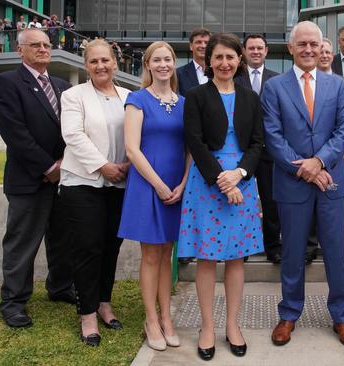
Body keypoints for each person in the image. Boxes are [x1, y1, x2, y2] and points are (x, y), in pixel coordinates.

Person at [262, 21, 344, 348]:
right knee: (291, 252)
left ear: (321, 49)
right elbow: (272, 137)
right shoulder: (274, 88)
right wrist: (305, 169)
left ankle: (341, 316)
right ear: (290, 48)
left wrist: (318, 162)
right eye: (301, 44)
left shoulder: (338, 85)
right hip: (292, 184)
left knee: (334, 250)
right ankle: (289, 313)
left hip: (330, 180)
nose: (307, 50)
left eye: (313, 45)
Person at [177, 33, 264, 361]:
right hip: (207, 186)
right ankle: (207, 327)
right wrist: (222, 181)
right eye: (219, 58)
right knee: (207, 257)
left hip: (242, 181)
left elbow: (258, 144)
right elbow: (195, 142)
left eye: (231, 57)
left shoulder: (250, 98)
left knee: (236, 258)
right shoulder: (196, 96)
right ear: (208, 61)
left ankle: (232, 325)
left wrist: (239, 175)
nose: (225, 63)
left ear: (239, 60)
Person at [0, 28, 74, 328]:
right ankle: (13, 301)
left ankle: (61, 287)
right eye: (35, 45)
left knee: (62, 238)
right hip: (29, 179)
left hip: (64, 177)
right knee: (22, 242)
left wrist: (65, 164)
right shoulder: (8, 83)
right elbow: (15, 133)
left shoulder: (63, 86)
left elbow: (73, 129)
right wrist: (48, 168)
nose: (42, 49)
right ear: (20, 50)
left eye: (46, 45)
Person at [59, 39, 131, 347]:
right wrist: (104, 166)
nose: (100, 66)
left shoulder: (130, 96)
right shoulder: (73, 95)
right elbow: (72, 135)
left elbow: (137, 136)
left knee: (111, 245)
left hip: (121, 183)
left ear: (116, 62)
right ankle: (87, 313)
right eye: (94, 61)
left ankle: (104, 302)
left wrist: (127, 165)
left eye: (105, 60)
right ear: (86, 65)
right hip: (83, 182)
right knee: (88, 247)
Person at [119, 41, 189, 352]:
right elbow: (132, 149)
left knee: (167, 254)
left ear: (174, 63)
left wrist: (184, 183)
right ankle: (151, 319)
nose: (163, 64)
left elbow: (191, 148)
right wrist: (159, 185)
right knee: (150, 254)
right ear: (147, 65)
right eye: (157, 60)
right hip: (149, 184)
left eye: (168, 59)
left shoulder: (185, 103)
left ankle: (167, 317)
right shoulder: (137, 100)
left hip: (178, 185)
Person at [233, 34, 281, 263]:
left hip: (269, 151)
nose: (255, 52)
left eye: (259, 48)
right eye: (251, 48)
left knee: (271, 201)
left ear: (266, 51)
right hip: (241, 150)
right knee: (240, 201)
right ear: (244, 51)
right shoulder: (233, 77)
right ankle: (240, 248)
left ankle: (273, 248)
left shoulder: (277, 79)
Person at [176, 27, 210, 96]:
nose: (203, 46)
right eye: (199, 42)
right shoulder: (178, 74)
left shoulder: (219, 71)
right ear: (191, 46)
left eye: (206, 43)